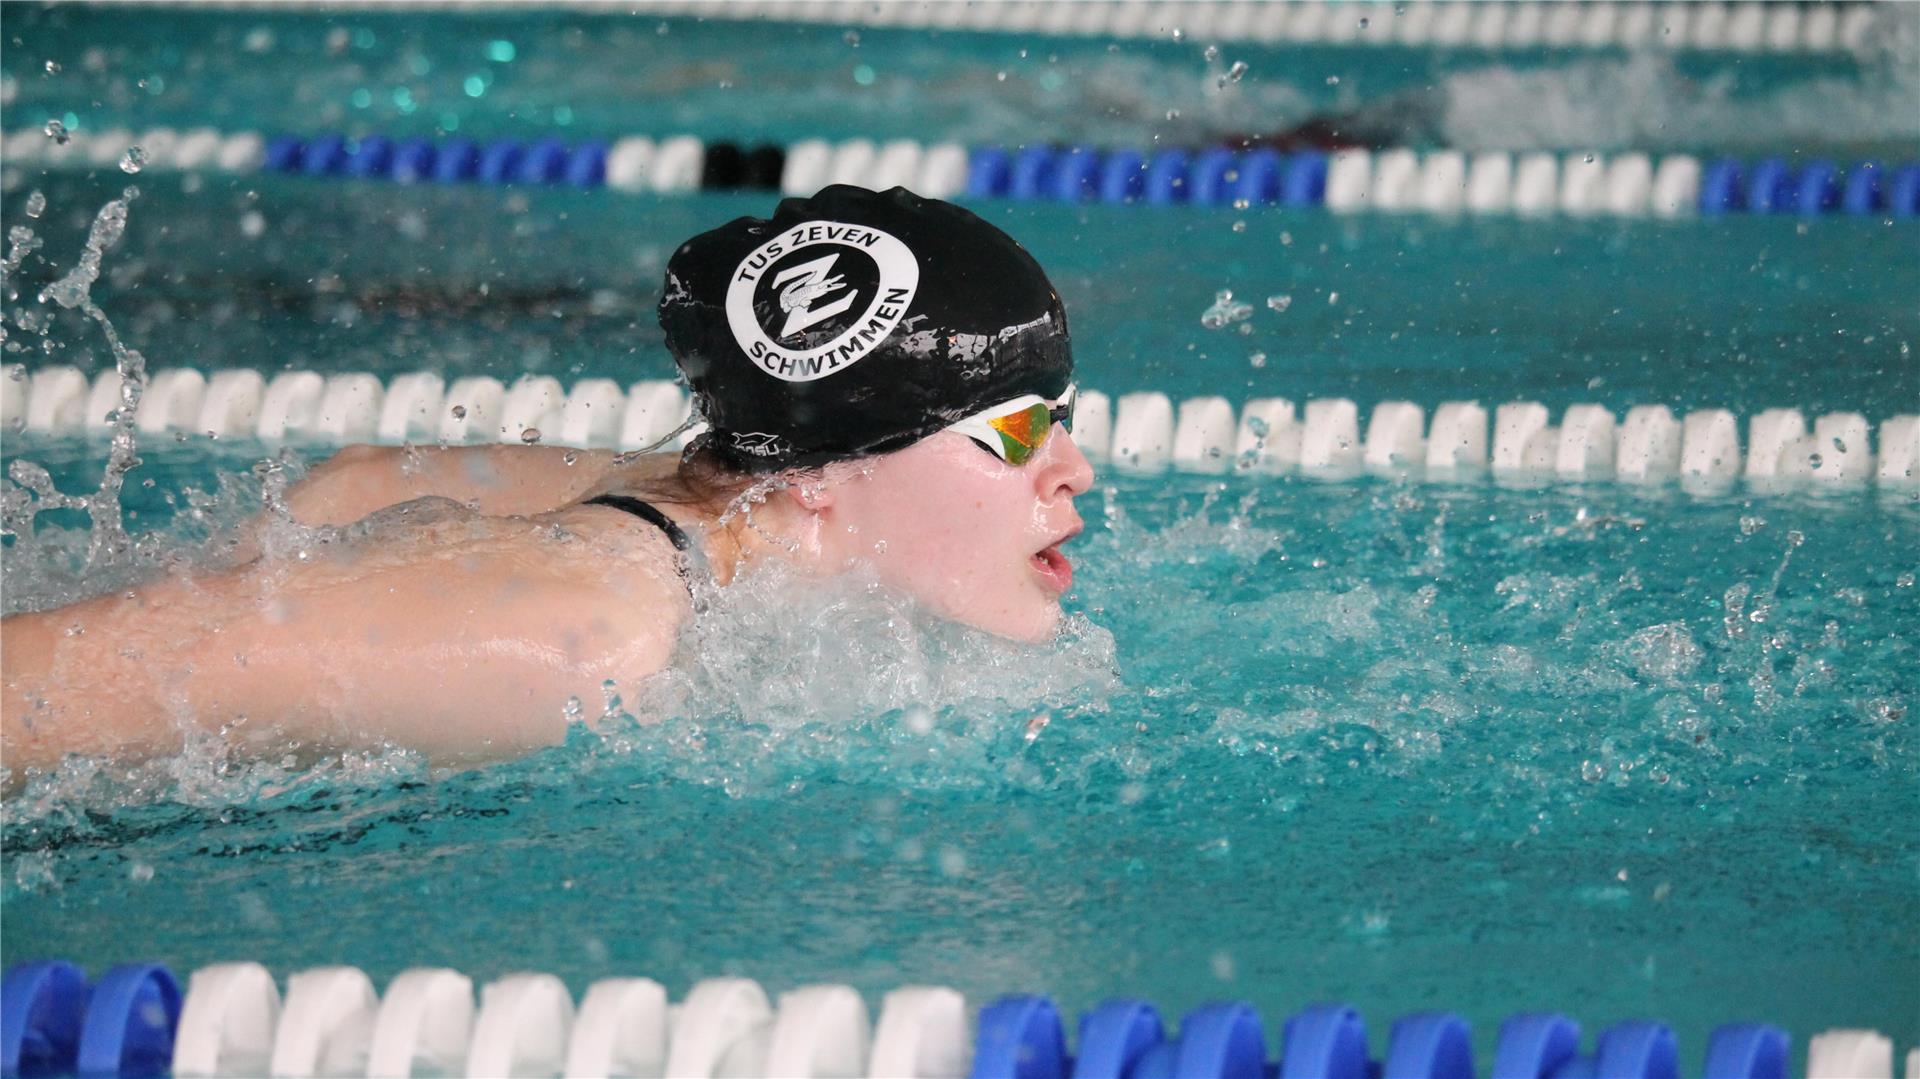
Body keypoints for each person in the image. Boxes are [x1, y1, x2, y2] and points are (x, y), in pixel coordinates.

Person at [0, 185, 1094, 772]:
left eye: (1068, 417)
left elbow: (357, 482)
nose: (1075, 469)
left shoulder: (702, 500)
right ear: (819, 469)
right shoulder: (592, 640)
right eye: (1016, 430)